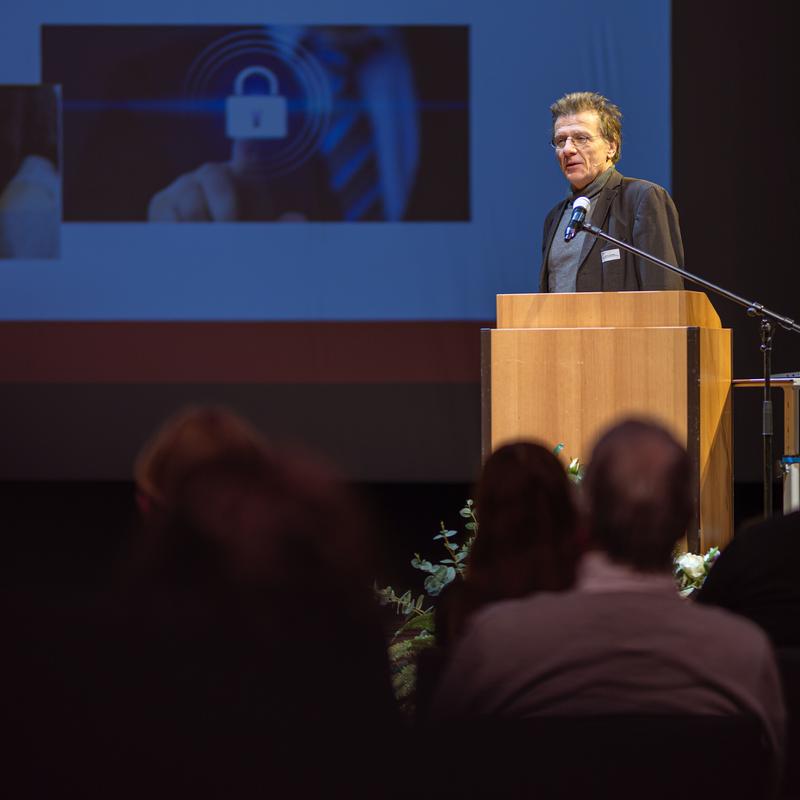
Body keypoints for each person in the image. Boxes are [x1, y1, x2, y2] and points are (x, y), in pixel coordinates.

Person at [430, 418, 785, 759]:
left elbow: (443, 768)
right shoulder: (744, 656)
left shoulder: (495, 644)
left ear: (586, 512)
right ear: (686, 516)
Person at [539, 91, 684, 293]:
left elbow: (663, 293)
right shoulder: (554, 218)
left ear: (611, 147)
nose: (568, 150)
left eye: (581, 138)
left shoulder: (642, 198)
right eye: (561, 140)